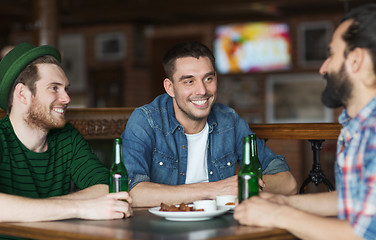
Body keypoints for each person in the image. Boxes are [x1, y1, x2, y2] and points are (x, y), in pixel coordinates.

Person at [234, 4, 376, 240]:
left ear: (355, 60)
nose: (323, 68)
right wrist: (285, 203)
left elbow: (363, 235)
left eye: (332, 54)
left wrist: (278, 215)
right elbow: (357, 200)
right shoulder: (359, 125)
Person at [121, 41, 297, 207]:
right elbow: (131, 192)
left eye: (208, 79)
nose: (202, 91)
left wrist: (244, 186)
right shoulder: (146, 120)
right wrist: (216, 189)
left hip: (222, 226)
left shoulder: (229, 120)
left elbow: (288, 183)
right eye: (189, 81)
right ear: (170, 88)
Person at [0, 42, 132, 222]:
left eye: (66, 89)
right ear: (22, 93)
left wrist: (40, 209)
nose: (67, 98)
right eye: (54, 88)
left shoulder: (66, 136)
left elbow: (105, 186)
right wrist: (79, 208)